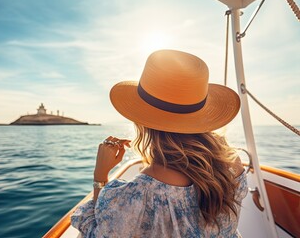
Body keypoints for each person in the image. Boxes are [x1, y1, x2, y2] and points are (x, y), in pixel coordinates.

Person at [71, 50, 248, 237]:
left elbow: (103, 230)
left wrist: (100, 176)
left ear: (142, 121)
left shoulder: (143, 192)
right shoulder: (231, 162)